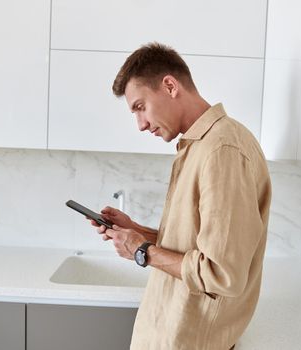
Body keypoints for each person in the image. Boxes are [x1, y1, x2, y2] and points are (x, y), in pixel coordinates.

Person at [87, 42, 272, 350]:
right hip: (170, 334)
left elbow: (221, 273)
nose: (141, 124)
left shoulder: (223, 150)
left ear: (169, 86)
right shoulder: (200, 145)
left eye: (140, 107)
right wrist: (137, 232)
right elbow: (198, 245)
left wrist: (141, 250)